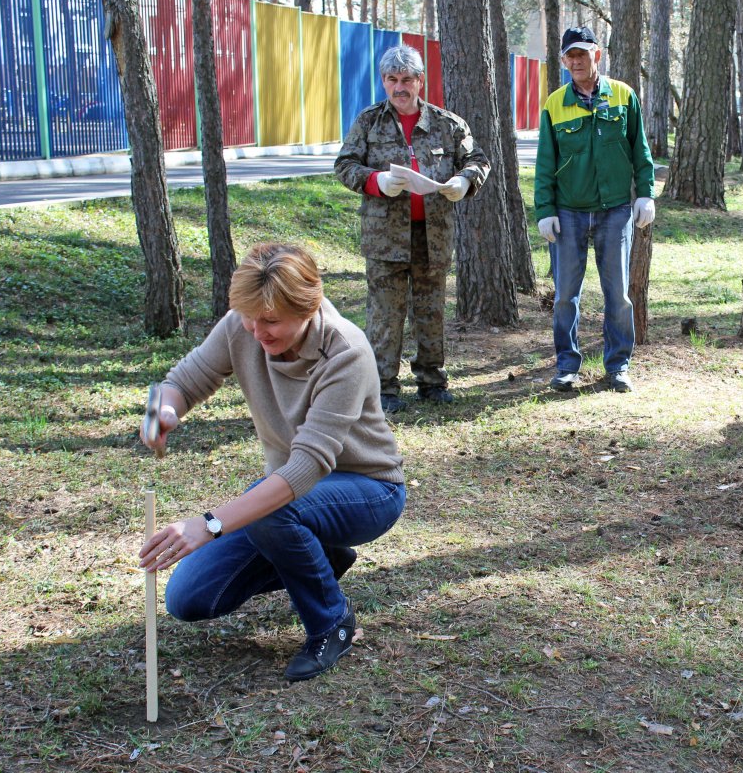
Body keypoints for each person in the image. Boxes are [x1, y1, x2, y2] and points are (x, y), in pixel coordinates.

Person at [138, 243, 406, 682]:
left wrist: (207, 525)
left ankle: (331, 623)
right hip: (294, 497)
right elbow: (182, 382)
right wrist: (162, 411)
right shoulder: (241, 326)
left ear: (307, 308)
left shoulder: (346, 352)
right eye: (249, 317)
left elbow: (304, 470)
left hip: (369, 490)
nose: (256, 332)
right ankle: (317, 555)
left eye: (271, 322)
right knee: (190, 598)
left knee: (275, 511)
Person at [335, 44, 490, 413]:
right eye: (392, 80)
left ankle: (432, 382)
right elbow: (345, 165)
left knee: (431, 311)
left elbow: (477, 159)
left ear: (420, 81)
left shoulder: (446, 123)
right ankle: (383, 387)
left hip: (432, 236)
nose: (399, 87)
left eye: (407, 80)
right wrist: (374, 181)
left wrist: (465, 181)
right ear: (384, 82)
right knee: (385, 316)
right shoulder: (369, 122)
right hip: (385, 239)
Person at [534, 26, 656, 394]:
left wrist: (645, 194)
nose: (576, 61)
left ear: (596, 56)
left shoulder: (623, 95)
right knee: (565, 296)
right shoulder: (554, 103)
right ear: (563, 60)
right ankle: (567, 366)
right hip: (568, 213)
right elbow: (545, 161)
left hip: (615, 211)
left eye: (582, 55)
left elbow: (640, 150)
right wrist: (545, 209)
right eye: (570, 56)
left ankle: (617, 366)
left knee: (617, 294)